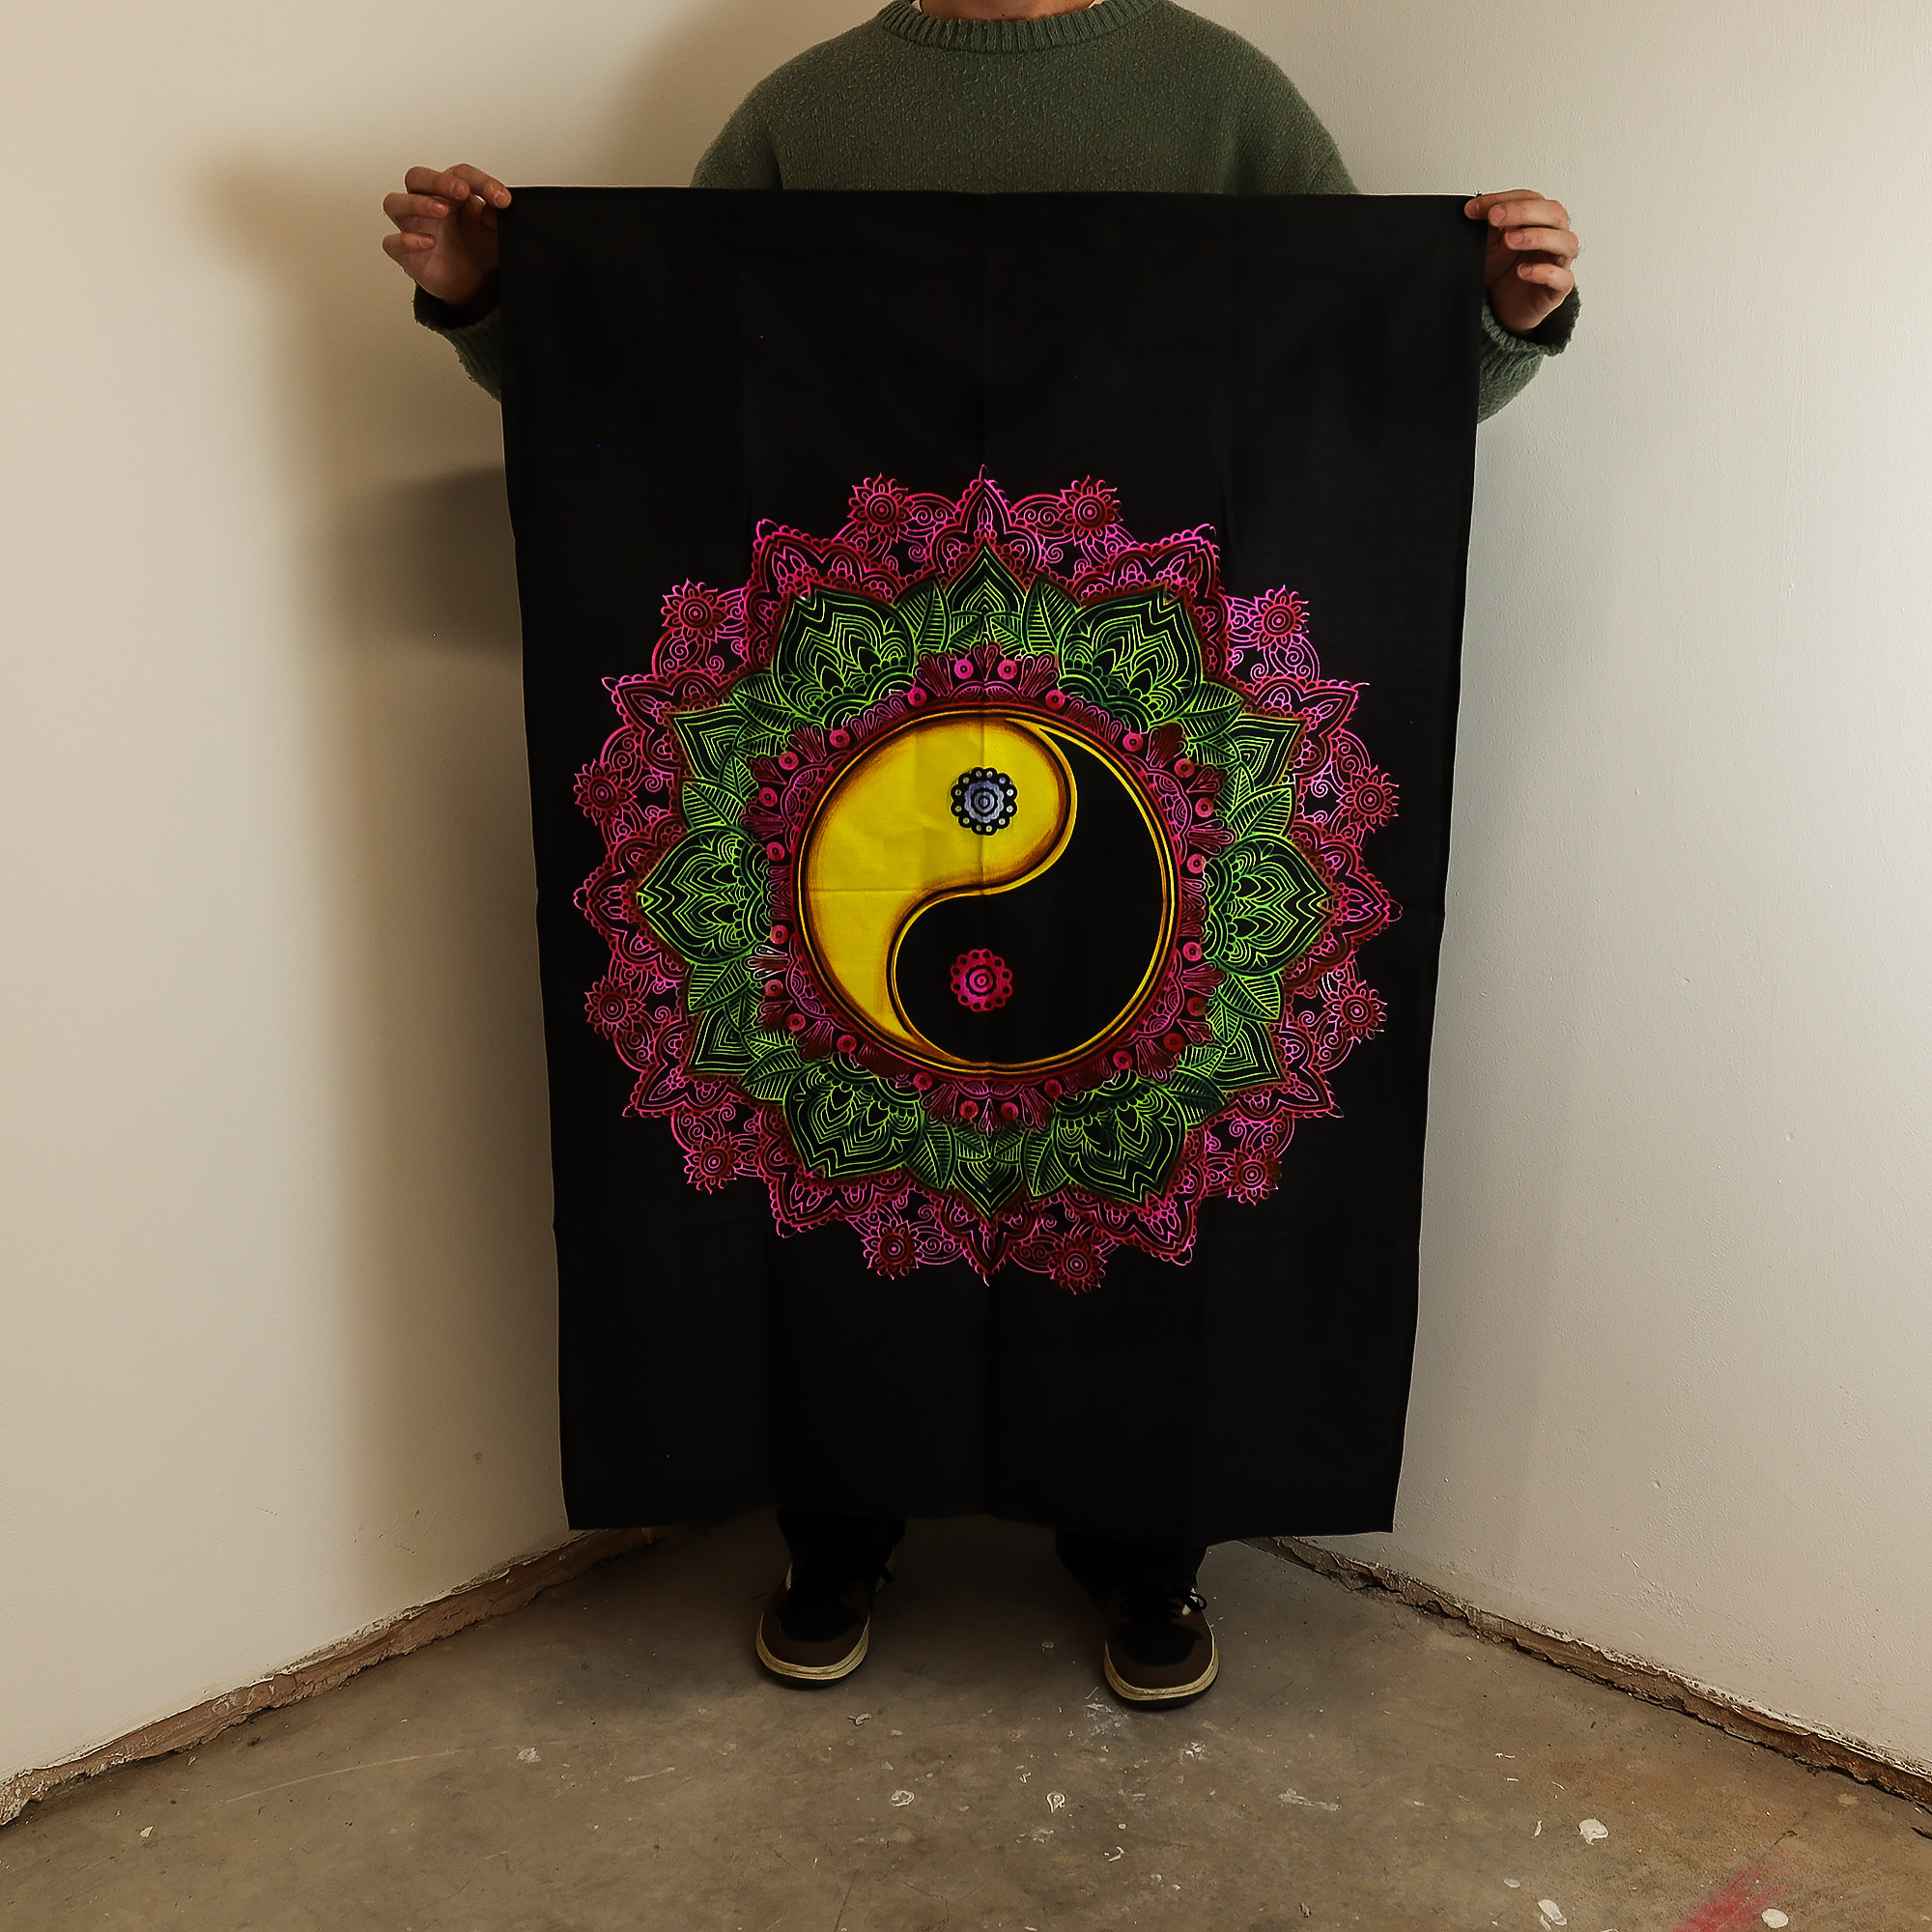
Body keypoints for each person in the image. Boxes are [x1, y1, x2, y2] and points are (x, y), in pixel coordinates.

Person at [381, 0, 1580, 1711]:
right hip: (862, 773)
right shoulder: (809, 112)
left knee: (1143, 1153)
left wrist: (1504, 320)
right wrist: (494, 294)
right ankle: (836, 1524)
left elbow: (1355, 376)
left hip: (1148, 778)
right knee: (825, 1146)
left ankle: (1147, 1547)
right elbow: (655, 366)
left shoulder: (1222, 102)